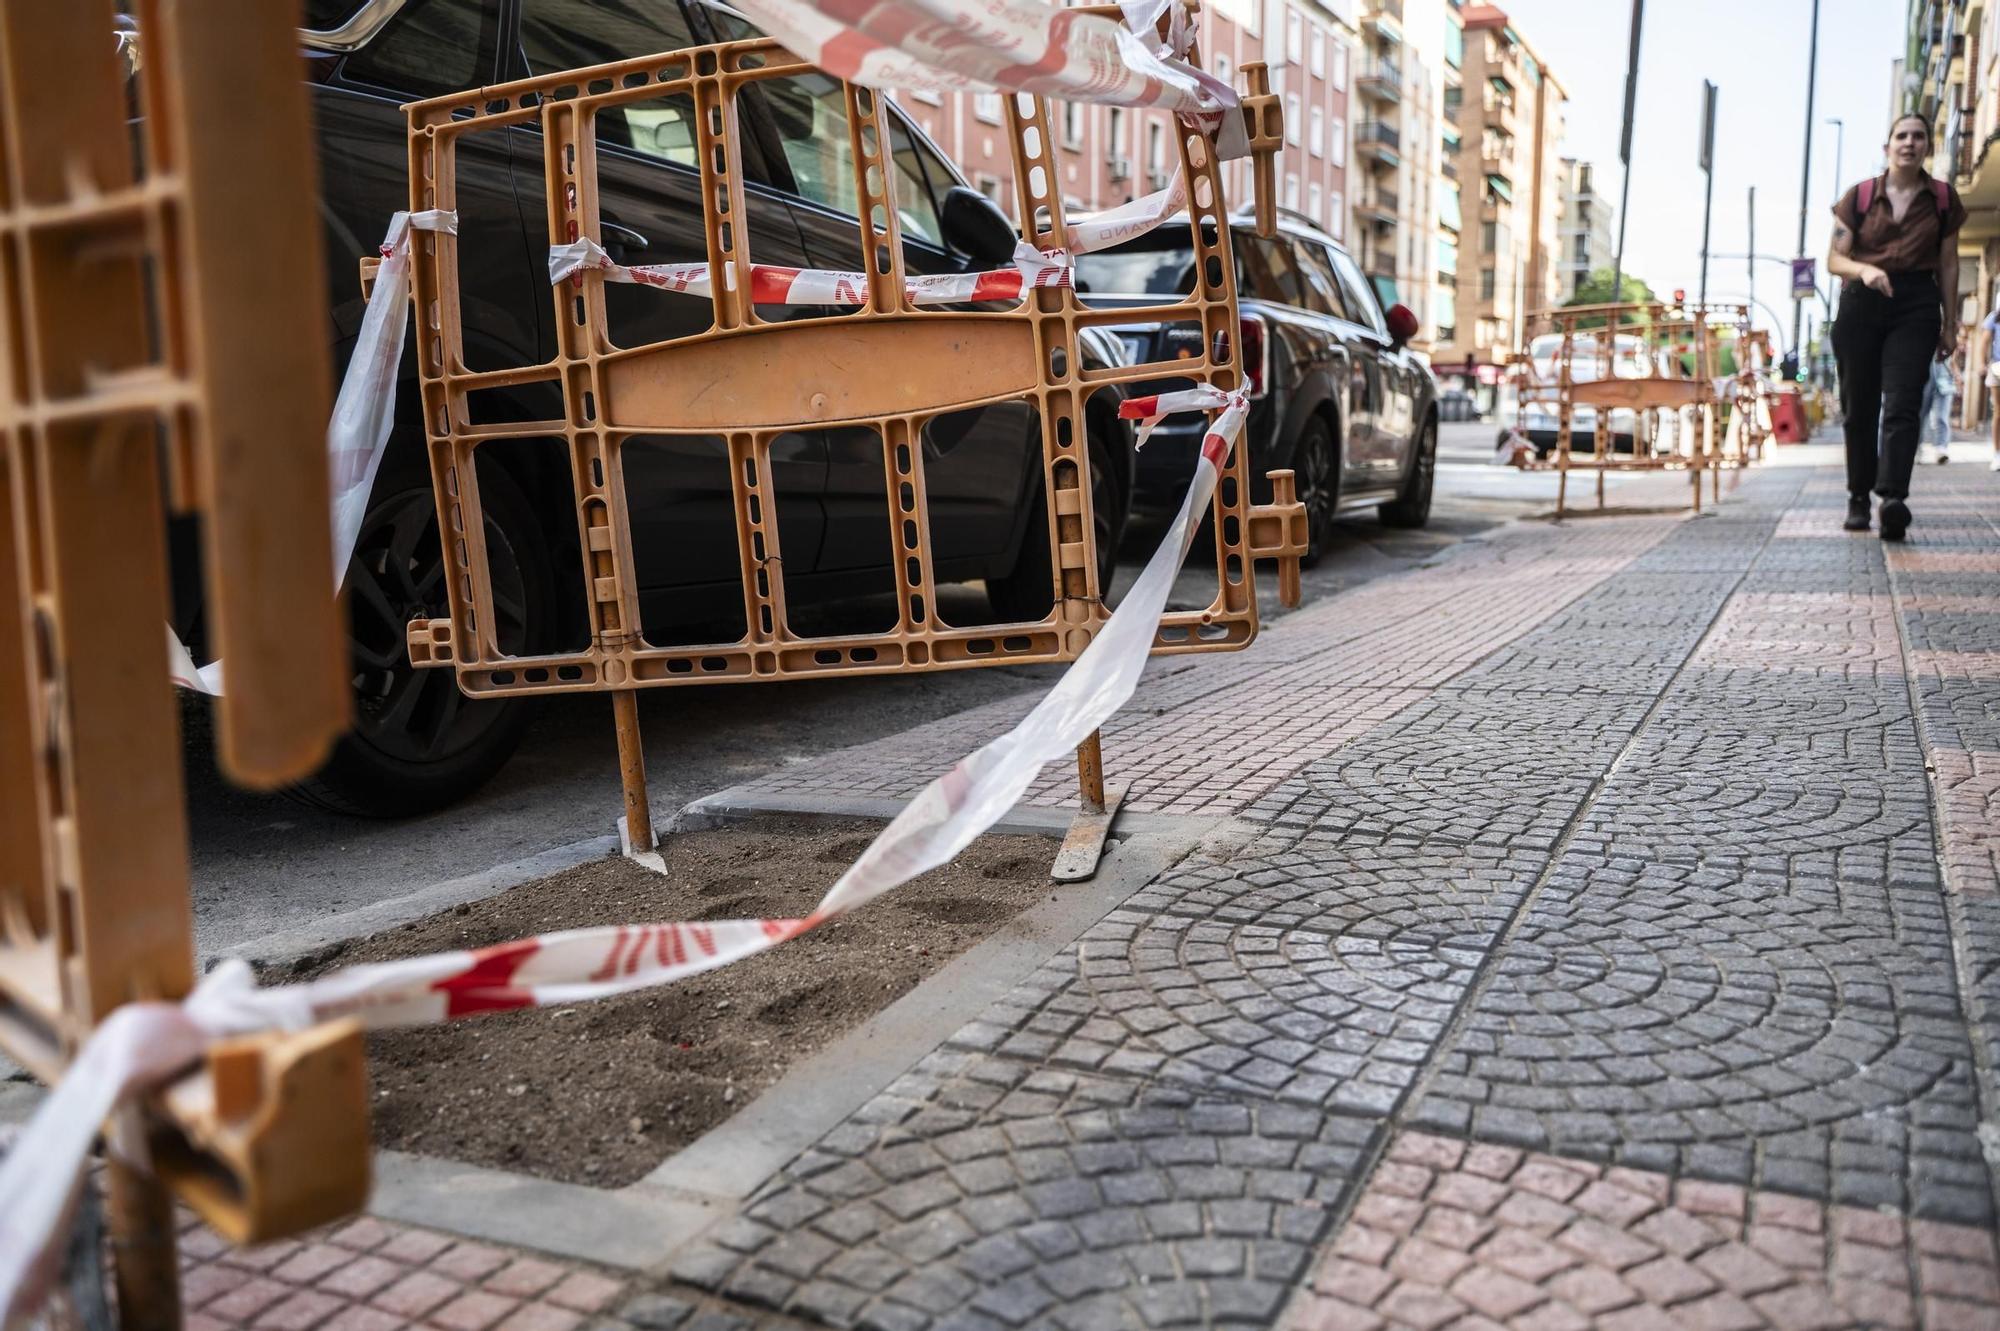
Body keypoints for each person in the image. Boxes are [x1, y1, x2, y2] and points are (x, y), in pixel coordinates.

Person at [1828, 113, 1967, 538]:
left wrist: (1949, 324)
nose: (1909, 142)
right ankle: (1857, 497)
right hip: (1862, 301)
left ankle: (1893, 499)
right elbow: (1834, 259)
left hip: (1916, 304)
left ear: (1928, 145)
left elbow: (1947, 262)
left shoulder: (1942, 199)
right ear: (1887, 145)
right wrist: (1864, 270)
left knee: (1905, 402)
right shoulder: (1860, 196)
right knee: (1860, 407)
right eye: (1901, 135)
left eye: (1918, 136)